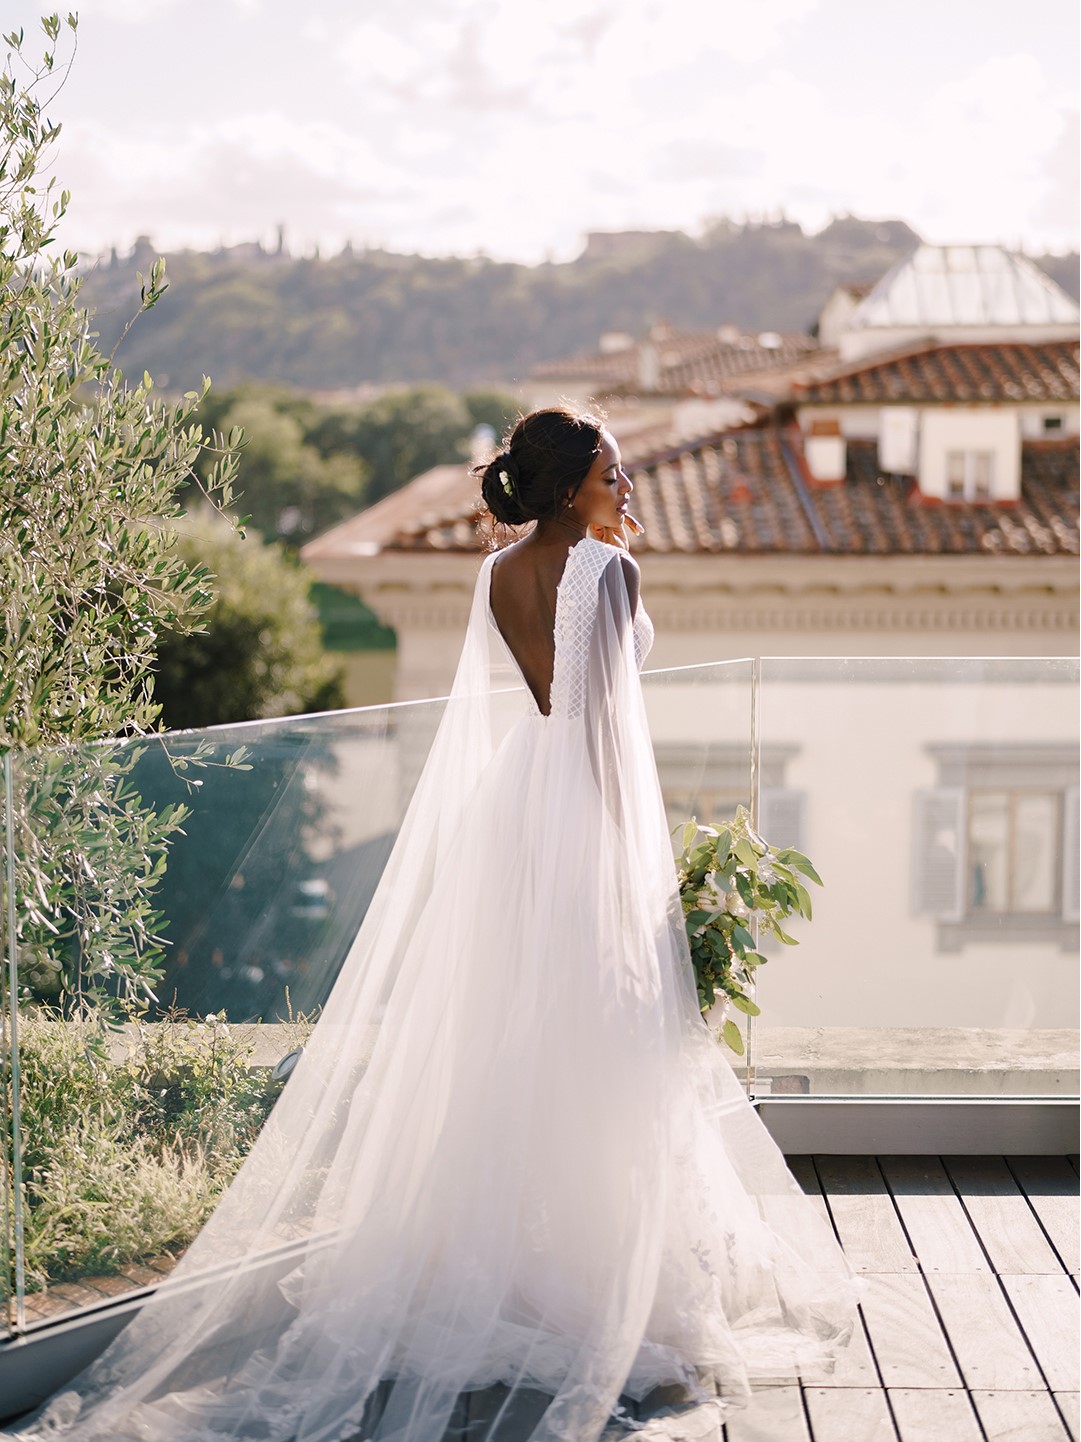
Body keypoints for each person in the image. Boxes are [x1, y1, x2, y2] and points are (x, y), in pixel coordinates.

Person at [9, 407, 857, 1442]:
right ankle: (595, 1276)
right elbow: (606, 727)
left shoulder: (496, 572)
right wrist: (631, 852)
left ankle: (507, 1261)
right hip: (584, 808)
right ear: (570, 487)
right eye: (612, 472)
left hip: (517, 801)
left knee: (510, 1031)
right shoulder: (608, 572)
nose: (627, 486)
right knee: (600, 1039)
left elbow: (543, 698)